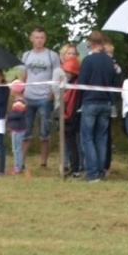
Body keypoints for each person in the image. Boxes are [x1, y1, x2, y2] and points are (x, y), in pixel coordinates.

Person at [78, 31, 118, 183]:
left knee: (87, 138)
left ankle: (92, 172)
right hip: (106, 102)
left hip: (90, 102)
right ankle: (101, 171)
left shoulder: (88, 60)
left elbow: (82, 82)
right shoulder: (109, 61)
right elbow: (113, 80)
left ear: (91, 43)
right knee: (101, 138)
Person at [19, 28, 61, 169]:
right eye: (36, 37)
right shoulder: (26, 55)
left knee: (45, 133)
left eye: (42, 37)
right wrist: (20, 93)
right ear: (31, 38)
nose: (39, 40)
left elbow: (58, 76)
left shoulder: (52, 56)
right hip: (29, 97)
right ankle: (21, 162)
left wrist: (52, 93)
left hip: (44, 98)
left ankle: (43, 163)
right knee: (25, 132)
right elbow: (23, 75)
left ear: (45, 39)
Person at [55, 43, 82, 177]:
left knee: (72, 145)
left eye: (67, 72)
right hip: (69, 117)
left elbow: (70, 104)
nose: (66, 74)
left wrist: (65, 116)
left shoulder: (73, 86)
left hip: (70, 118)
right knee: (71, 144)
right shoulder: (72, 83)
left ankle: (75, 169)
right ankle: (73, 167)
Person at [5, 82, 29, 174]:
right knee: (17, 148)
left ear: (15, 91)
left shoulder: (19, 102)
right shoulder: (20, 101)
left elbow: (17, 114)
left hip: (18, 129)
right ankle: (19, 166)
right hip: (18, 128)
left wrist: (8, 117)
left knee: (16, 149)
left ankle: (18, 167)